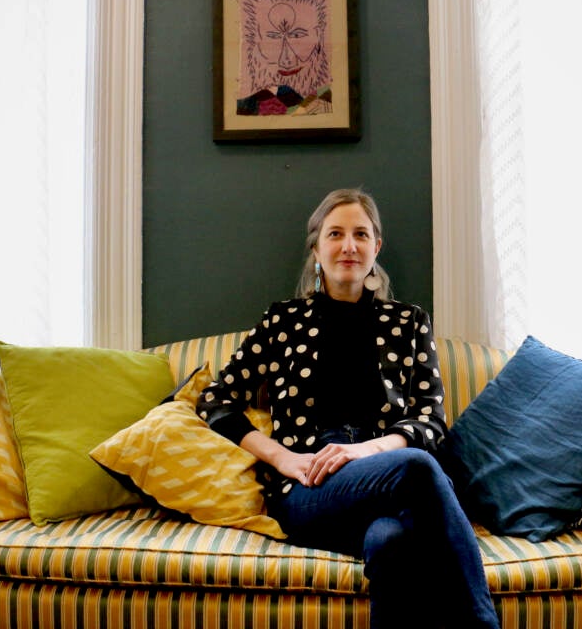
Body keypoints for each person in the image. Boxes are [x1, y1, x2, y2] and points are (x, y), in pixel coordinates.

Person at [197, 188, 499, 629]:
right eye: (335, 234)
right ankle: (482, 625)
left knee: (390, 541)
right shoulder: (283, 321)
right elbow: (216, 399)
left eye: (361, 234)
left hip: (384, 471)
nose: (349, 245)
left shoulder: (409, 322)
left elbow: (431, 418)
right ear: (317, 249)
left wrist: (366, 452)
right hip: (311, 487)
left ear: (376, 248)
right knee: (417, 468)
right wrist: (282, 457)